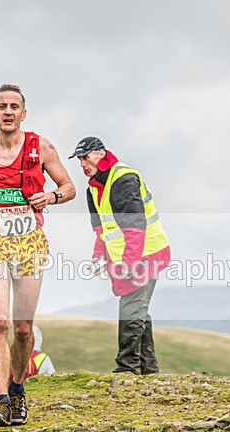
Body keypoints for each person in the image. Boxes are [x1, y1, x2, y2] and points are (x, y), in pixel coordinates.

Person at [0, 84, 74, 426]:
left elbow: (69, 186)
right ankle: (0, 402)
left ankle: (17, 389)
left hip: (29, 243)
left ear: (23, 114)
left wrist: (51, 198)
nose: (8, 111)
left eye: (14, 106)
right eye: (1, 106)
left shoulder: (42, 147)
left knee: (23, 329)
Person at [71, 136, 170, 375]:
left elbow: (135, 227)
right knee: (138, 309)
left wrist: (129, 263)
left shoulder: (124, 179)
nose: (83, 164)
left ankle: (127, 368)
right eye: (80, 160)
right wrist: (98, 256)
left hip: (145, 253)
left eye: (86, 157)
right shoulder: (93, 189)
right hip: (126, 257)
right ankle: (148, 368)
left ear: (101, 153)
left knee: (130, 308)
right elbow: (101, 229)